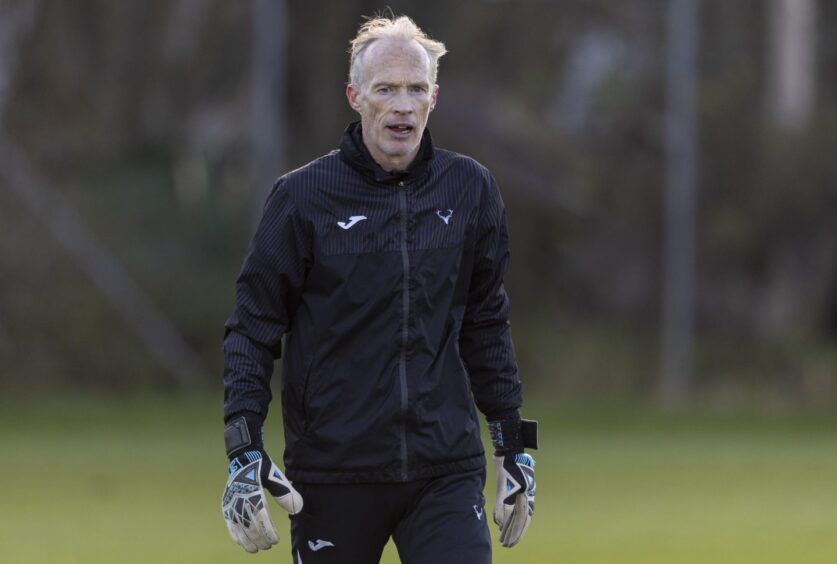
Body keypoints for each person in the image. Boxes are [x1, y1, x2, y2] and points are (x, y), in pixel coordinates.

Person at [220, 14, 538, 564]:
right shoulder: (301, 198)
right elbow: (252, 328)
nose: (403, 105)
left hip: (444, 470)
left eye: (416, 89)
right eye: (386, 89)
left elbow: (486, 321)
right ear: (355, 96)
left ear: (434, 97)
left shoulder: (470, 190)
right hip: (333, 473)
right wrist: (243, 449)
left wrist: (513, 444)